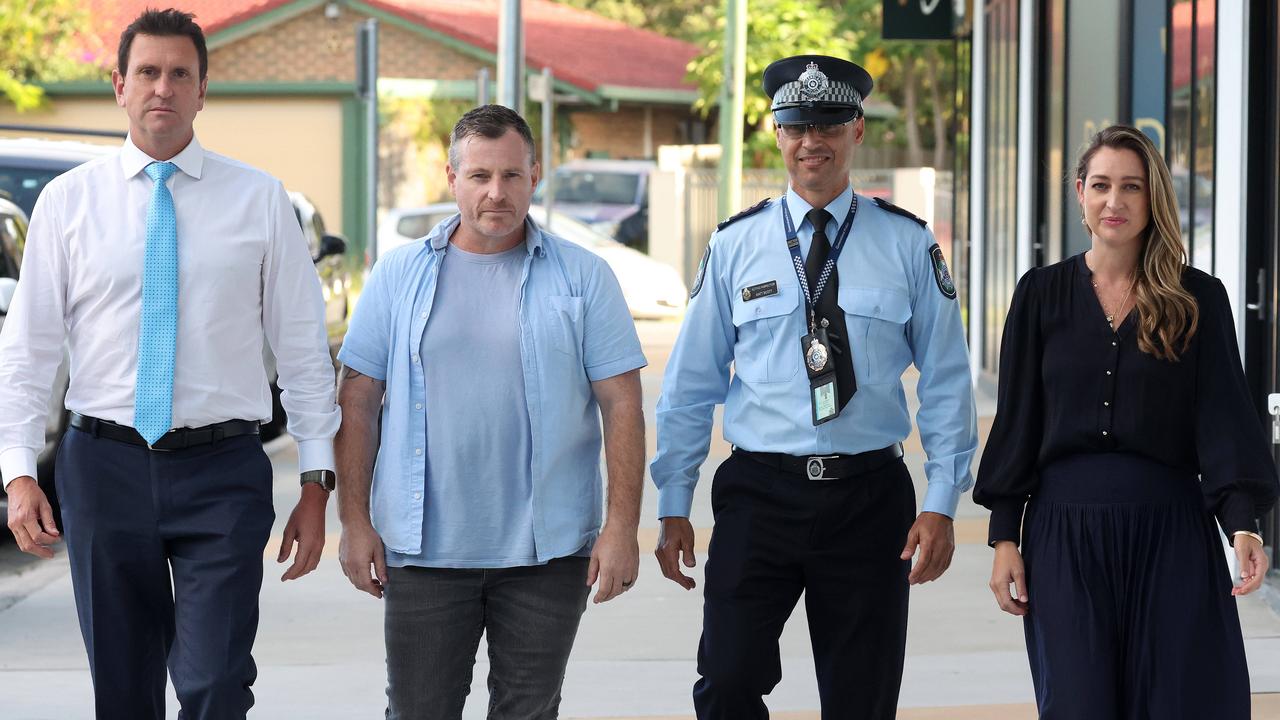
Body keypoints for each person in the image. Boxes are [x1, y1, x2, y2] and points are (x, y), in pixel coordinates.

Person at [0, 9, 340, 720]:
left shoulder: (259, 200)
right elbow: (28, 350)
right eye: (148, 72)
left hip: (221, 471)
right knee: (123, 693)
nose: (163, 87)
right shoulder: (68, 204)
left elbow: (304, 349)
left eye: (179, 73)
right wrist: (19, 468)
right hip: (103, 466)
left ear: (202, 89)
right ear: (119, 86)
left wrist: (316, 479)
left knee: (215, 683)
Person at [649, 55, 978, 719]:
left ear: (856, 130)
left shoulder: (907, 245)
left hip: (869, 501)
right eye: (796, 125)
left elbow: (946, 381)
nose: (812, 141)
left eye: (828, 124)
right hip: (759, 497)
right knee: (728, 679)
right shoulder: (736, 245)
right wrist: (674, 500)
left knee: (862, 699)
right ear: (777, 134)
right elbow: (690, 385)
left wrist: (942, 501)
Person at [335, 104, 646, 720]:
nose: (495, 193)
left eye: (511, 175)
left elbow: (623, 404)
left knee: (529, 712)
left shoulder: (584, 277)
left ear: (536, 175)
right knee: (420, 711)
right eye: (479, 176)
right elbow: (359, 399)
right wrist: (354, 520)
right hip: (424, 554)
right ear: (452, 178)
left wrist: (621, 527)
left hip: (547, 555)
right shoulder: (398, 275)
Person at [974, 124, 1278, 718]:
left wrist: (1243, 524)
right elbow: (1019, 421)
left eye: (1132, 187)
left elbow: (1223, 417)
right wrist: (1006, 536)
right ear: (1081, 195)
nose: (1115, 201)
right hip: (1064, 537)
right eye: (1102, 186)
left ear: (1153, 198)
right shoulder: (1039, 294)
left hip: (1171, 534)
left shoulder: (1198, 298)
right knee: (1078, 702)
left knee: (1178, 700)